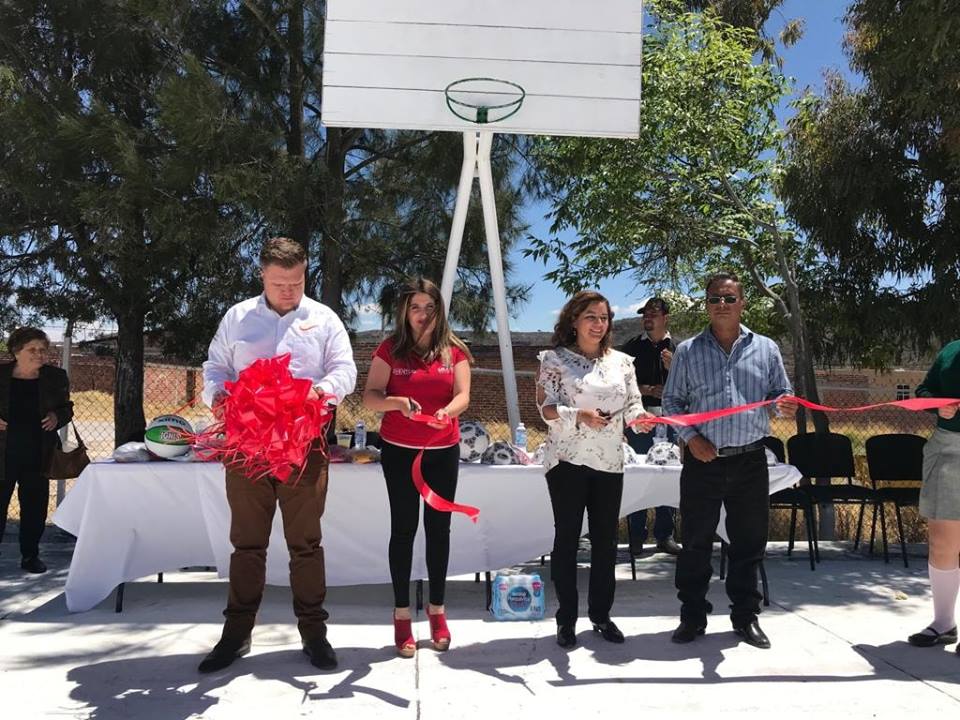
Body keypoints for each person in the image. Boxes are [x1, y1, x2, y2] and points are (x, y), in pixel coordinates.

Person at [198, 237, 357, 673]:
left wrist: (316, 394)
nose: (288, 291)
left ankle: (313, 632)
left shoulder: (323, 319)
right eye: (278, 283)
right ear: (262, 276)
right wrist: (219, 398)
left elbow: (345, 369)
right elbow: (214, 367)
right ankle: (236, 632)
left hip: (303, 449)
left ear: (306, 274)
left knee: (305, 545)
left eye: (296, 282)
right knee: (246, 544)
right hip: (247, 450)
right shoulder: (238, 317)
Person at [662, 273, 796, 650]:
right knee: (695, 542)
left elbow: (780, 394)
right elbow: (673, 404)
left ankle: (745, 617)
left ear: (742, 303)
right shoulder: (688, 351)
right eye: (714, 298)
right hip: (702, 462)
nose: (722, 304)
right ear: (706, 304)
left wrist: (783, 405)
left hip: (750, 461)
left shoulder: (766, 348)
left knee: (748, 543)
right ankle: (692, 616)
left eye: (729, 297)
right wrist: (692, 439)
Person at [536, 290, 654, 649]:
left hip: (609, 463)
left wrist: (640, 419)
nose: (598, 324)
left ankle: (601, 616)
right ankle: (566, 621)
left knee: (606, 542)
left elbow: (633, 405)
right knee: (567, 541)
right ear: (573, 320)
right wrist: (579, 416)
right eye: (590, 316)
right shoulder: (554, 360)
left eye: (604, 318)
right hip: (567, 462)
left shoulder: (622, 362)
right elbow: (545, 410)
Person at [362, 278, 472, 658]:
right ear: (404, 313)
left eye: (430, 307)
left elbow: (463, 396)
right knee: (404, 530)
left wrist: (447, 412)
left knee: (439, 530)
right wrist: (396, 402)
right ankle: (401, 614)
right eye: (415, 308)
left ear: (440, 310)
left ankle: (438, 610)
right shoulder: (390, 349)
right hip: (399, 453)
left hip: (443, 451)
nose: (423, 315)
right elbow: (370, 398)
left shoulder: (453, 351)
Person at [0, 327, 73, 574]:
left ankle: (30, 556)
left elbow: (67, 408)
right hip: (3, 454)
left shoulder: (56, 377)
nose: (39, 354)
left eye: (43, 350)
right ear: (16, 351)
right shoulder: (1, 375)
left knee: (34, 507)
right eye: (33, 349)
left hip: (38, 453)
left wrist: (56, 416)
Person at [907, 340, 960, 650]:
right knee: (942, 542)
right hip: (947, 447)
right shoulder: (951, 351)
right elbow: (924, 391)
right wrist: (937, 403)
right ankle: (944, 623)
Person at [618, 296, 680, 555]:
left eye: (653, 313)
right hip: (640, 421)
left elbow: (692, 387)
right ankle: (636, 535)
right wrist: (644, 389)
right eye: (645, 313)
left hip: (670, 421)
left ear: (665, 316)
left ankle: (665, 535)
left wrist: (674, 368)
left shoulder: (679, 349)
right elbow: (619, 384)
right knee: (637, 475)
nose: (648, 317)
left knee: (667, 476)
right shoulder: (631, 348)